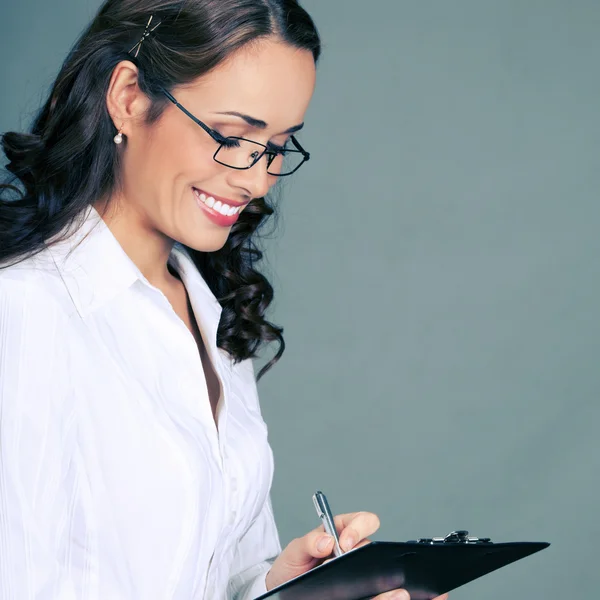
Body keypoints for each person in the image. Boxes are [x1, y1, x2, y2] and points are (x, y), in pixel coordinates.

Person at [0, 1, 449, 599]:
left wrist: (284, 588)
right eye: (233, 135)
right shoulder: (25, 315)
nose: (258, 178)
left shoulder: (211, 315)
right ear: (130, 97)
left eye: (278, 144)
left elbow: (205, 577)